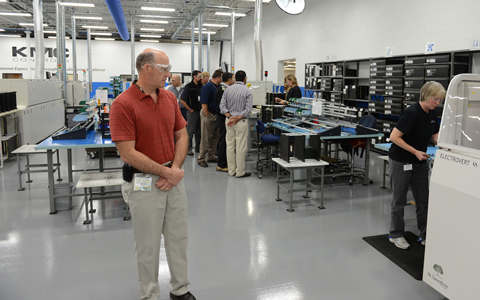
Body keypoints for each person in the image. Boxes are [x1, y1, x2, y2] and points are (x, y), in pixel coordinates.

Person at [110, 48, 196, 300]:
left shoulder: (169, 99)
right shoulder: (123, 104)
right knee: (147, 245)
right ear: (146, 68)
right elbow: (127, 153)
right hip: (143, 182)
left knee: (178, 238)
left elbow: (181, 134)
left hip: (173, 177)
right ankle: (150, 294)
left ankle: (180, 289)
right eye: (164, 69)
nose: (169, 74)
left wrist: (175, 169)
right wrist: (166, 173)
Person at [388, 81, 446, 250]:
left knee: (423, 200)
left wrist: (441, 143)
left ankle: (426, 235)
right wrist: (415, 152)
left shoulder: (432, 113)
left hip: (419, 162)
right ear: (425, 96)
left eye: (440, 100)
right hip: (401, 161)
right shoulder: (412, 113)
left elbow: (433, 134)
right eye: (435, 99)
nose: (438, 103)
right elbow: (394, 137)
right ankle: (396, 234)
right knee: (399, 200)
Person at [219, 70, 253, 178]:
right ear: (245, 79)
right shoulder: (247, 91)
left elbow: (222, 107)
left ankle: (231, 171)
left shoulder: (227, 90)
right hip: (241, 122)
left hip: (229, 121)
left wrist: (230, 117)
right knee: (241, 147)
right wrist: (237, 118)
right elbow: (248, 109)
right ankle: (240, 172)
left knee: (229, 146)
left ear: (235, 79)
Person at [197, 69, 223, 167]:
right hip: (208, 114)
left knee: (215, 137)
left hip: (217, 115)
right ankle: (201, 158)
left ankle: (211, 156)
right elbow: (204, 103)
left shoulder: (218, 86)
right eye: (221, 78)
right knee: (206, 137)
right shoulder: (207, 87)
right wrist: (208, 116)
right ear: (217, 78)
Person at [214, 72, 235, 172]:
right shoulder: (223, 90)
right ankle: (222, 164)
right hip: (222, 117)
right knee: (224, 140)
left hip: (222, 117)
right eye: (234, 79)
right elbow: (222, 106)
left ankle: (223, 162)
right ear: (229, 79)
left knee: (224, 139)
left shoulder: (224, 89)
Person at [180, 70, 203, 156]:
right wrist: (189, 109)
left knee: (199, 131)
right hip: (192, 112)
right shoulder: (188, 87)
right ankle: (189, 148)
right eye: (199, 76)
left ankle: (198, 148)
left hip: (200, 111)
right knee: (190, 131)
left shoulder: (201, 86)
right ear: (194, 76)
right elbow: (182, 100)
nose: (201, 78)